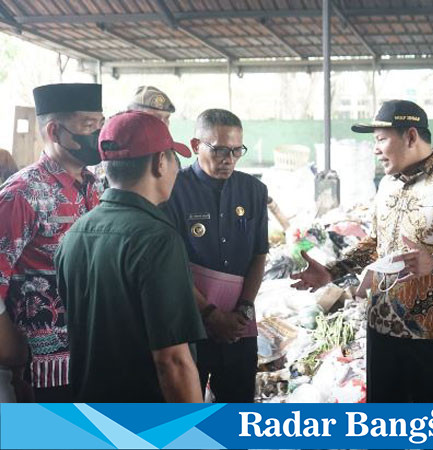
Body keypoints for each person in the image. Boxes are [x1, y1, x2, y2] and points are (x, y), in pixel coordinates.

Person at [291, 100, 433, 403]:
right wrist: (332, 271)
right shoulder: (387, 186)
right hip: (381, 329)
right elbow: (376, 243)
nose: (375, 149)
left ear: (410, 136)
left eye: (380, 139)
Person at [55, 111, 205, 402]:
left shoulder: (74, 235)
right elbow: (172, 361)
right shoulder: (157, 240)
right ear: (160, 162)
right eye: (175, 159)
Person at [0, 83, 104, 402]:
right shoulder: (22, 194)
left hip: (96, 356)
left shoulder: (97, 187)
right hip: (46, 368)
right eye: (88, 126)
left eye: (101, 124)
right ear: (55, 131)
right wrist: (12, 349)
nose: (98, 134)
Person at [166, 109, 268, 402]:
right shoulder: (174, 189)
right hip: (190, 324)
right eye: (220, 150)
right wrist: (210, 315)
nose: (229, 159)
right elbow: (170, 265)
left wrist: (244, 310)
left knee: (237, 409)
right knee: (186, 410)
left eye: (237, 151)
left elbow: (259, 255)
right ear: (196, 145)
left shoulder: (254, 191)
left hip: (238, 325)